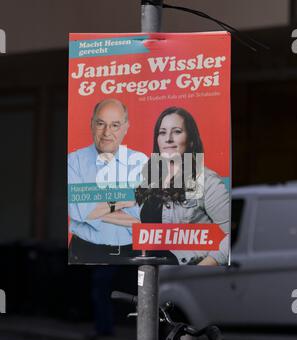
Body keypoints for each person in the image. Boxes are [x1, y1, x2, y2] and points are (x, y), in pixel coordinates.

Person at [134, 106, 230, 266]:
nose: (168, 139)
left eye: (177, 131)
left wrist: (206, 265)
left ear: (191, 140)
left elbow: (232, 234)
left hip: (187, 276)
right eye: (162, 132)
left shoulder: (207, 181)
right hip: (152, 274)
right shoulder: (149, 179)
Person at [68, 98, 147, 264]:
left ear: (126, 127)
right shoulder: (73, 162)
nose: (106, 132)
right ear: (91, 124)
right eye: (100, 123)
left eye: (115, 125)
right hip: (85, 252)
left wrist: (95, 207)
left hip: (132, 253)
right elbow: (78, 211)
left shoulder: (141, 163)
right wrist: (126, 198)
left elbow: (144, 218)